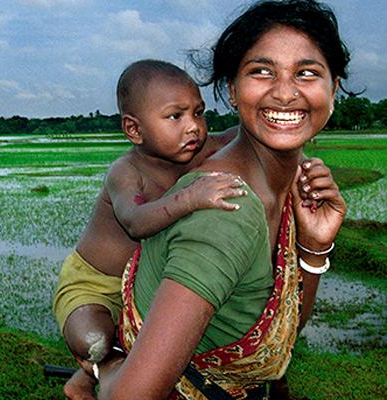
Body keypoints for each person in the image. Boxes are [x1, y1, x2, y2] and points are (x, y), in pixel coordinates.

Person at [95, 1, 348, 399]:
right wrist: (106, 365)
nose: (284, 93)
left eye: (307, 73)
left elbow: (279, 332)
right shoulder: (226, 208)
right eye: (261, 71)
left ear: (332, 88)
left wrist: (313, 248)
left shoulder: (291, 184)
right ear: (232, 90)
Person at [52, 59, 245, 399]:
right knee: (95, 340)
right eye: (176, 116)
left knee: (166, 336)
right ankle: (103, 370)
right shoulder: (126, 172)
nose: (193, 128)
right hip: (95, 284)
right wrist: (190, 198)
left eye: (198, 113)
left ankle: (88, 377)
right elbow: (136, 222)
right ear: (134, 130)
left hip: (144, 284)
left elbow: (239, 137)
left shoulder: (196, 150)